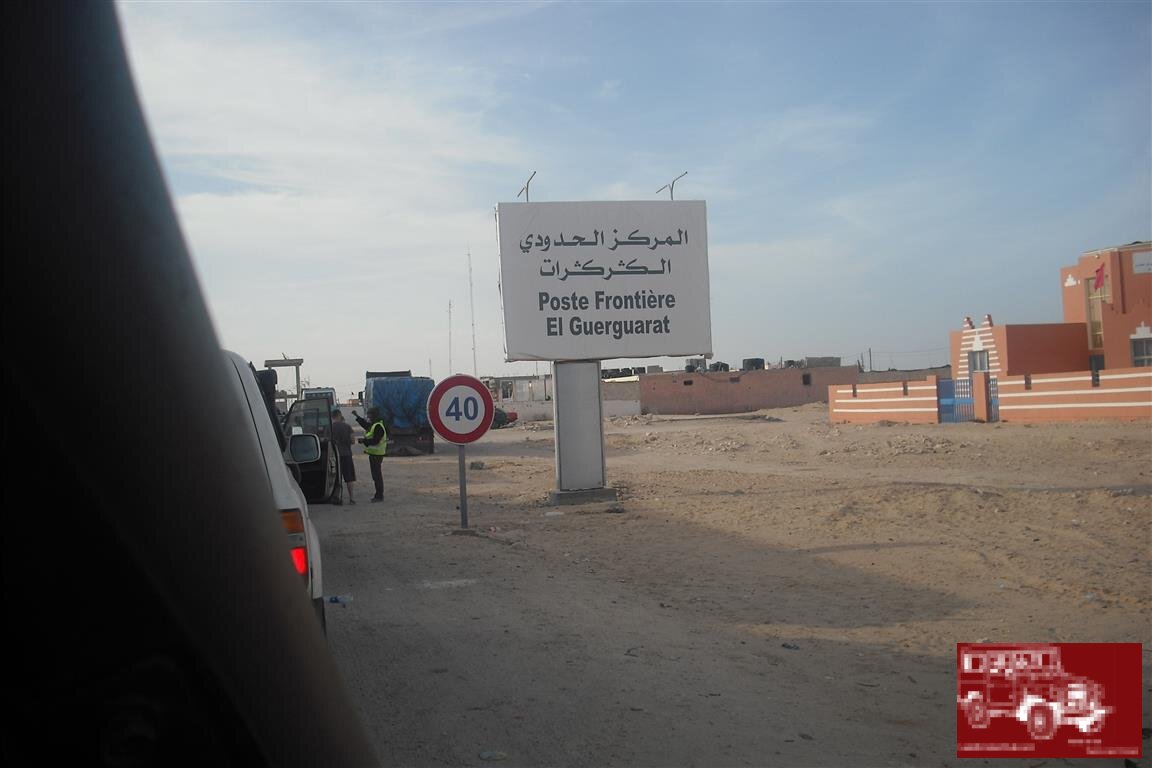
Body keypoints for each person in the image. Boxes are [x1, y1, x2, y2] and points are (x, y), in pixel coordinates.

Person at [353, 407, 388, 502]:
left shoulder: (378, 426)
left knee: (377, 476)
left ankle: (379, 496)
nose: (368, 417)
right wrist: (357, 416)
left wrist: (364, 441)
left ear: (374, 415)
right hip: (374, 454)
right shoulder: (374, 425)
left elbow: (375, 441)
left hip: (377, 454)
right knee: (375, 475)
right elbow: (366, 425)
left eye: (370, 415)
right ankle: (379, 495)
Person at [330, 409, 356, 504]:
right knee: (349, 478)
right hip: (347, 454)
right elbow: (353, 441)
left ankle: (337, 497)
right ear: (340, 415)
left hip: (335, 456)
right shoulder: (347, 427)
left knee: (337, 478)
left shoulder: (330, 428)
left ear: (332, 417)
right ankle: (351, 498)